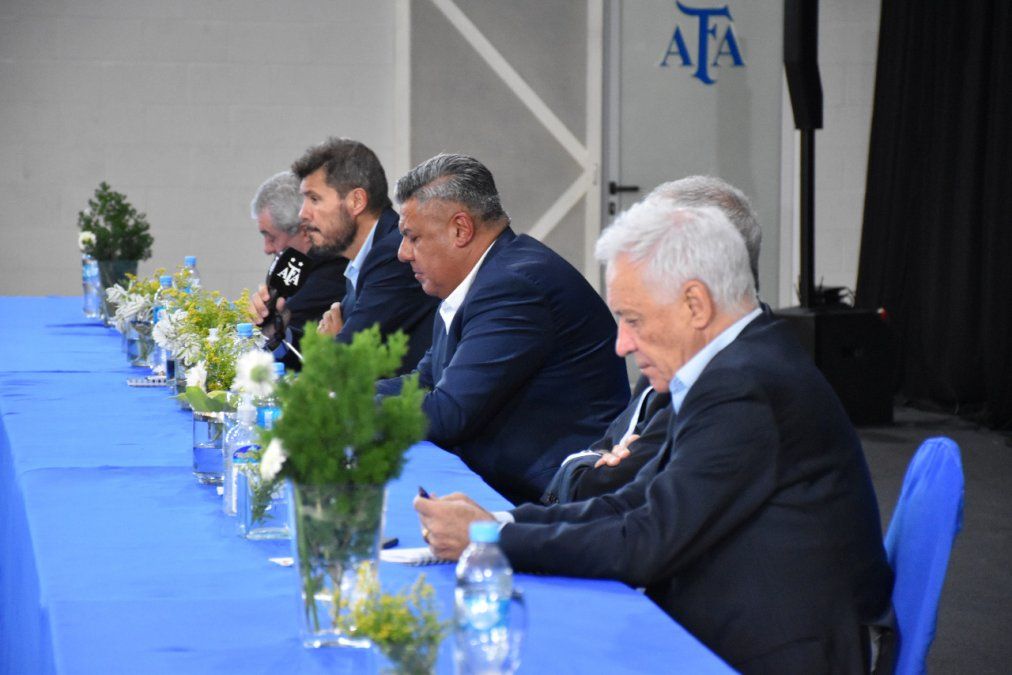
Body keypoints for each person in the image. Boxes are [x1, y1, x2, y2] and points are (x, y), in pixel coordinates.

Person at [415, 199, 894, 672]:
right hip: (743, 613)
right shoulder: (732, 364)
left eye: (633, 319)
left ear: (695, 304)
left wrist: (494, 540)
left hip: (774, 648)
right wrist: (499, 522)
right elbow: (633, 503)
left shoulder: (743, 386)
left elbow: (646, 542)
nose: (622, 344)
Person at [376, 153, 630, 505]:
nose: (403, 253)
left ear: (460, 229)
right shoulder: (482, 280)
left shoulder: (514, 286)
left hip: (547, 499)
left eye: (412, 237)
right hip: (504, 481)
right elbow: (426, 380)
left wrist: (349, 412)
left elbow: (449, 414)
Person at [541, 175, 763, 505]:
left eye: (634, 319)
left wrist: (585, 469)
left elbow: (618, 501)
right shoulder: (675, 352)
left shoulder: (733, 385)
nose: (622, 346)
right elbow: (607, 456)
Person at [249, 138, 437, 374]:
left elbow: (340, 366)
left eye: (314, 199)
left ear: (356, 201)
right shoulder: (363, 258)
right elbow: (324, 354)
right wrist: (277, 332)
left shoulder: (393, 256)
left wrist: (331, 345)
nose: (303, 214)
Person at [249, 171, 348, 369]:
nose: (267, 248)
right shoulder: (296, 272)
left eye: (271, 237)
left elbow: (296, 357)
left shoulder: (329, 274)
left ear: (303, 231)